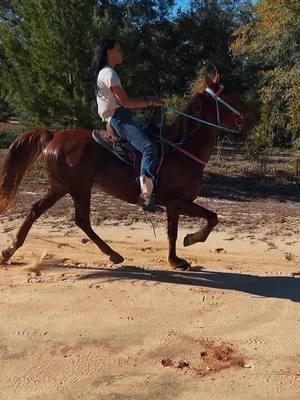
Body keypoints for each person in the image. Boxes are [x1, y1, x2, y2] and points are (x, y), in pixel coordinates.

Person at [91, 39, 164, 211]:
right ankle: (146, 195)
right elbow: (126, 103)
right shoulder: (109, 74)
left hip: (114, 118)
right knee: (149, 148)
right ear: (109, 53)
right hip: (119, 118)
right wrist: (150, 101)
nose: (122, 52)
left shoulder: (103, 73)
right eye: (119, 49)